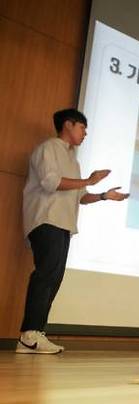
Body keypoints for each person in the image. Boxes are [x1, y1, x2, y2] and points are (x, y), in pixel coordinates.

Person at [18, 108, 129, 354]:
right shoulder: (49, 148)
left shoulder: (73, 160)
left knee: (53, 278)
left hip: (63, 224)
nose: (85, 133)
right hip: (46, 219)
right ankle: (29, 334)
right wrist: (89, 181)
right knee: (46, 275)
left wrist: (103, 195)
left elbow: (80, 196)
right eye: (82, 128)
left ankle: (36, 334)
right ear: (68, 125)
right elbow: (51, 183)